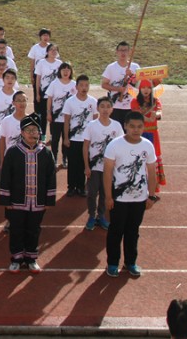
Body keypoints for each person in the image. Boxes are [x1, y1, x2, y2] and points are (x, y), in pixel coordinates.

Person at [0, 113, 56, 273]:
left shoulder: (46, 153)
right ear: (22, 133)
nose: (32, 133)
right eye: (28, 130)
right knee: (16, 229)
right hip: (17, 201)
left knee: (34, 229)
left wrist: (49, 200)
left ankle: (31, 257)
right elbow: (6, 176)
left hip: (37, 201)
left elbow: (51, 177)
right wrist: (5, 200)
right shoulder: (13, 152)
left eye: (35, 130)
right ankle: (16, 258)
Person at [103, 111, 158, 278]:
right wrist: (108, 197)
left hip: (139, 198)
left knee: (133, 231)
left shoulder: (147, 145)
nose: (136, 130)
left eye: (139, 126)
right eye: (132, 126)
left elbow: (151, 172)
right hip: (119, 198)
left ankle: (130, 262)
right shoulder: (114, 145)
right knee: (116, 230)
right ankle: (112, 263)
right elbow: (107, 172)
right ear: (125, 126)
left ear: (144, 127)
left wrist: (151, 196)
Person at [82, 96, 123, 231]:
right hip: (94, 167)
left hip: (109, 168)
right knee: (92, 193)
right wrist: (87, 166)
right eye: (102, 106)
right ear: (98, 108)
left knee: (105, 193)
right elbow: (86, 147)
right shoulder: (91, 125)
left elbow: (120, 146)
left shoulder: (116, 126)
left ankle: (101, 216)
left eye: (108, 106)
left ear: (112, 109)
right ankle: (91, 216)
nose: (105, 109)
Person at [62, 75, 97, 197]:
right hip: (73, 138)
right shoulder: (70, 101)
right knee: (73, 164)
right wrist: (66, 137)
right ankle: (71, 187)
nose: (84, 88)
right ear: (76, 87)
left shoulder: (93, 101)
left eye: (86, 85)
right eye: (81, 85)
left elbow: (95, 121)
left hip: (87, 140)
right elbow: (66, 121)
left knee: (84, 163)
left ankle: (81, 187)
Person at [130, 80, 166, 193]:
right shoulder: (135, 101)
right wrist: (150, 118)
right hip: (139, 134)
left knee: (152, 160)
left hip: (153, 134)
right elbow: (137, 114)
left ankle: (153, 188)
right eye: (143, 88)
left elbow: (160, 112)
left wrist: (157, 115)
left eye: (148, 88)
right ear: (139, 89)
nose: (146, 90)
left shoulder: (155, 101)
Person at [45, 62, 76, 168]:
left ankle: (65, 158)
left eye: (68, 70)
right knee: (55, 140)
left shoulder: (74, 84)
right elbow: (49, 99)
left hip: (69, 120)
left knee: (66, 139)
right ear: (60, 71)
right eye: (63, 70)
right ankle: (53, 158)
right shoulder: (54, 83)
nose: (66, 72)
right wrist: (49, 113)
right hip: (56, 118)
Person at [101, 41, 140, 125]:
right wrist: (118, 89)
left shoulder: (135, 67)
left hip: (131, 106)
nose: (123, 53)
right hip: (115, 106)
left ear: (129, 52)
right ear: (117, 52)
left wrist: (132, 75)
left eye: (125, 50)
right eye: (121, 50)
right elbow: (104, 84)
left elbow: (140, 85)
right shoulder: (111, 67)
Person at [34, 43, 62, 137]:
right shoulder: (41, 62)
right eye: (51, 50)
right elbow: (38, 78)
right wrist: (37, 93)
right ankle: (42, 137)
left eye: (55, 50)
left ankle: (53, 136)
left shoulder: (60, 64)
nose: (53, 52)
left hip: (56, 96)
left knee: (54, 117)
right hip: (44, 94)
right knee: (43, 117)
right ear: (47, 51)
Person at [27, 28, 52, 107]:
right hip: (38, 74)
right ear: (40, 36)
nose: (46, 37)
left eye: (47, 35)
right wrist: (31, 76)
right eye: (44, 35)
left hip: (49, 74)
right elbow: (32, 63)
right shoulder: (35, 48)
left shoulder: (51, 48)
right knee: (37, 94)